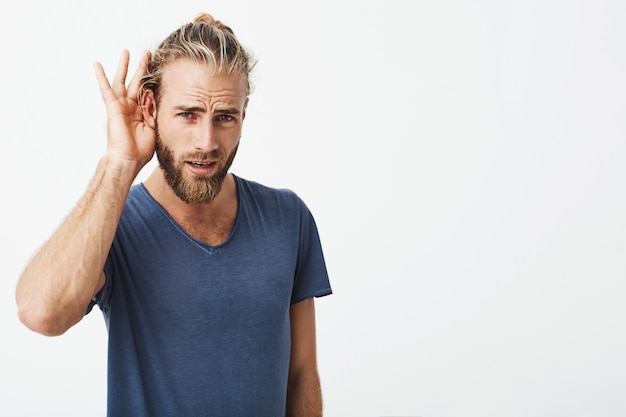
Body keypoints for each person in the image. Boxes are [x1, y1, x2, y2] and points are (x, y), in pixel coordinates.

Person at [15, 12, 332, 417]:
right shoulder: (115, 224)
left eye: (224, 117)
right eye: (188, 114)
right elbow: (42, 313)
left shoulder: (288, 218)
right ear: (151, 109)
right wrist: (119, 162)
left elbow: (302, 374)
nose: (207, 142)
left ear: (243, 115)